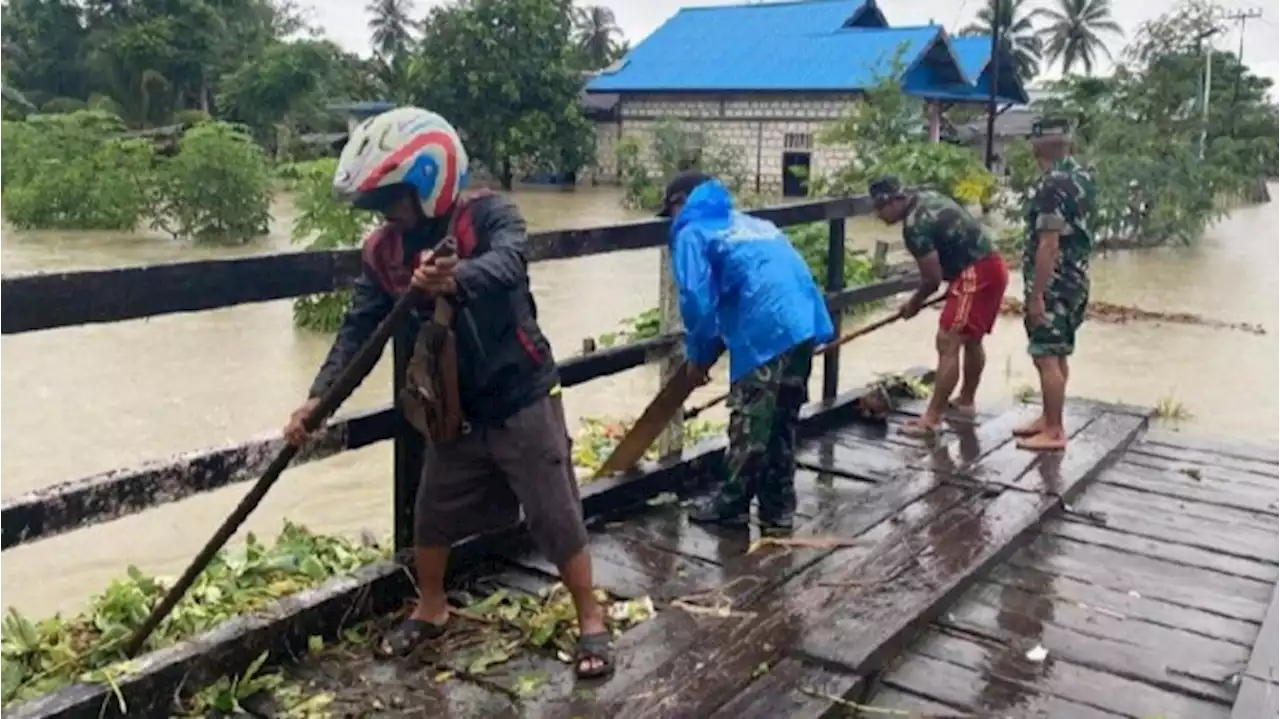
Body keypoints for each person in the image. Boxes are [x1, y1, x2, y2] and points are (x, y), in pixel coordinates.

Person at [282, 107, 613, 678]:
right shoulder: (383, 253)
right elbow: (360, 331)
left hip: (520, 394)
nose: (388, 213)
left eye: (394, 198)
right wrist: (319, 398)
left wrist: (455, 280)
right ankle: (431, 607)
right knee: (431, 514)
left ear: (430, 180)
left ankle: (591, 620)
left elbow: (509, 264)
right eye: (379, 203)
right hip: (452, 409)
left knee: (555, 512)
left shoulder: (488, 214)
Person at [658, 171, 835, 536]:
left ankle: (732, 504)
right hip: (801, 321)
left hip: (764, 330)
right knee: (784, 418)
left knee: (750, 422)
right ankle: (779, 507)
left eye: (671, 212)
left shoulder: (692, 232)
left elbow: (695, 300)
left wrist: (698, 355)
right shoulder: (754, 223)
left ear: (681, 205)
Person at [868, 176, 1010, 437]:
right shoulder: (928, 196)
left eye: (879, 208)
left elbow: (931, 280)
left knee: (948, 339)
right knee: (972, 338)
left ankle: (931, 420)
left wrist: (913, 304)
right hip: (993, 265)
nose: (878, 215)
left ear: (893, 202)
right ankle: (966, 401)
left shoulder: (914, 227)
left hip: (975, 272)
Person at [1014, 117, 1096, 451]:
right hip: (1077, 277)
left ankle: (1055, 430)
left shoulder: (1052, 184)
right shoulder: (1083, 176)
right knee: (1058, 353)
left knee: (1045, 355)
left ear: (1040, 144)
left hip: (1055, 281)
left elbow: (1049, 242)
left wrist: (1037, 295)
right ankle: (1049, 418)